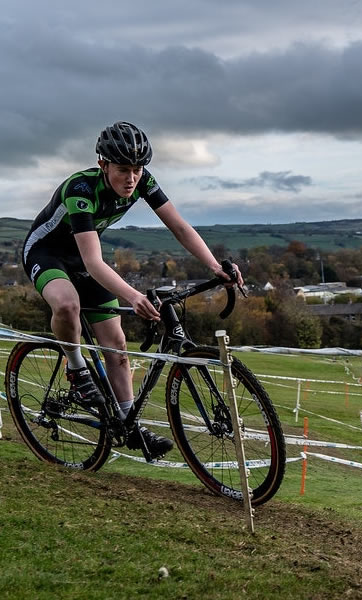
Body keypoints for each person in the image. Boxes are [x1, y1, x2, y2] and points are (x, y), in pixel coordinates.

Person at [21, 121, 241, 461]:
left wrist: (214, 266)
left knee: (119, 346)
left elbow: (179, 226)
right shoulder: (80, 189)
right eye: (123, 169)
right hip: (47, 254)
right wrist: (133, 296)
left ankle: (128, 422)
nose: (132, 178)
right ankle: (77, 368)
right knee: (67, 305)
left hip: (84, 261)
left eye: (137, 170)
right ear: (103, 165)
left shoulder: (143, 182)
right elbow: (94, 262)